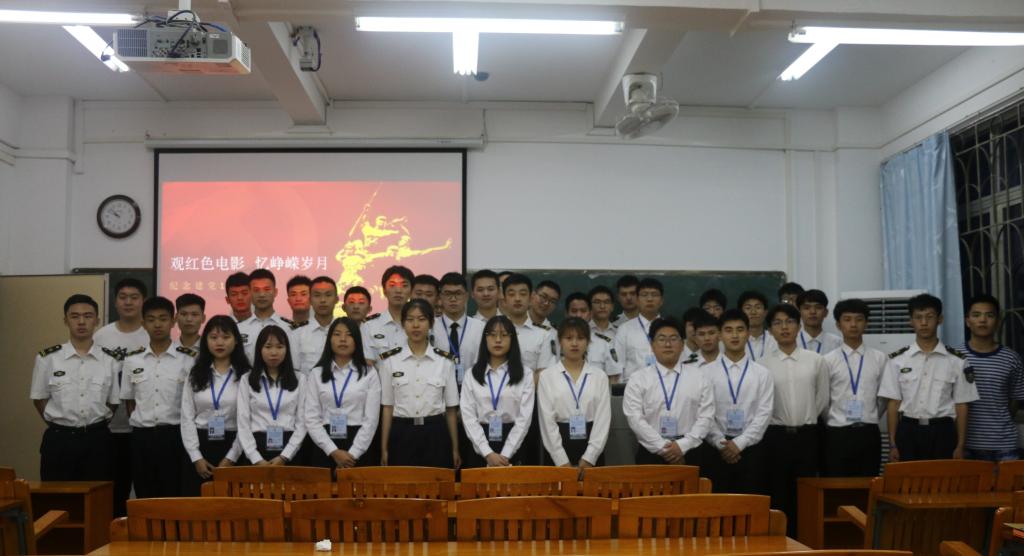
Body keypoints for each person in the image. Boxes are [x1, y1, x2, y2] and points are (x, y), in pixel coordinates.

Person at [31, 294, 120, 481]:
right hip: (59, 440)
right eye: (75, 316)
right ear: (66, 320)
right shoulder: (48, 358)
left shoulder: (110, 360)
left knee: (98, 495)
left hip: (98, 441)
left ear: (97, 321)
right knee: (56, 495)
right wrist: (61, 424)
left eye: (88, 316)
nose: (81, 322)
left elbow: (113, 403)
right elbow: (39, 399)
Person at [880, 294, 979, 461]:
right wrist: (893, 444)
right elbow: (893, 404)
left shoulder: (957, 360)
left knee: (942, 477)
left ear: (940, 319)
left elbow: (962, 405)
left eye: (929, 317)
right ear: (911, 321)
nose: (924, 322)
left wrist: (960, 446)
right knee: (908, 477)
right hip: (908, 430)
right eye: (918, 317)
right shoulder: (897, 360)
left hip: (943, 431)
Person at [761, 303, 829, 536]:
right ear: (770, 330)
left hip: (807, 435)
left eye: (789, 322)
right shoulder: (762, 364)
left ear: (799, 326)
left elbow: (822, 397)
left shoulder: (816, 360)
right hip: (775, 435)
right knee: (778, 491)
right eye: (777, 323)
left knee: (807, 491)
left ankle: (806, 541)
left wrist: (806, 417)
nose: (784, 327)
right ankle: (780, 540)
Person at [120, 297, 196, 498]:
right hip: (142, 437)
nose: (157, 324)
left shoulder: (188, 358)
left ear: (173, 321)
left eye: (163, 319)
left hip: (175, 436)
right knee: (144, 492)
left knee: (175, 493)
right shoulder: (132, 359)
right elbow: (129, 401)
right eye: (151, 319)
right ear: (143, 323)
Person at [379, 299, 461, 468]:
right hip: (402, 432)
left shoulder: (444, 361)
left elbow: (451, 410)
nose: (415, 325)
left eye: (422, 319)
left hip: (436, 432)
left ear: (431, 323)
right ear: (403, 324)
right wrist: (384, 448)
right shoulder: (390, 361)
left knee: (437, 482)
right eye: (410, 319)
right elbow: (387, 407)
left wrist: (455, 448)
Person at [623, 317, 714, 466]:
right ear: (652, 345)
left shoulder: (699, 377)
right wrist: (664, 448)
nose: (667, 344)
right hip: (651, 452)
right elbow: (635, 419)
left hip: (691, 451)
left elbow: (706, 416)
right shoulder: (638, 379)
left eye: (673, 338)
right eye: (661, 339)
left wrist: (682, 446)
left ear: (682, 344)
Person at [92, 277, 148, 517]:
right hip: (109, 427)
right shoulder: (101, 336)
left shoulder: (151, 333)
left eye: (134, 297)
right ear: (115, 302)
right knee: (114, 488)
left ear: (143, 301)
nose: (128, 302)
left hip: (143, 426)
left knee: (146, 488)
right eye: (123, 297)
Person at [704, 309, 773, 494]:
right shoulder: (705, 373)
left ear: (748, 333)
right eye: (728, 330)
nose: (735, 335)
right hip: (716, 449)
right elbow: (704, 413)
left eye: (740, 329)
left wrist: (740, 443)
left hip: (751, 449)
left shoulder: (762, 373)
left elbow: (764, 414)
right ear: (719, 335)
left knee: (751, 502)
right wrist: (721, 443)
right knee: (718, 503)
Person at [180, 316, 249, 496]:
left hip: (235, 444)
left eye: (226, 337)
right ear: (205, 341)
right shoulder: (195, 373)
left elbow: (247, 421)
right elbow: (187, 417)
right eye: (213, 337)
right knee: (199, 504)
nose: (219, 342)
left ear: (236, 340)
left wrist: (231, 458)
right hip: (200, 445)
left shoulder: (246, 375)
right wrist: (196, 457)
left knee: (232, 504)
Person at [822, 299, 889, 477]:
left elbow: (883, 398)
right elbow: (824, 400)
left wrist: (870, 415)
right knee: (837, 484)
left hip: (869, 432)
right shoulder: (827, 360)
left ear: (866, 323)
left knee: (868, 483)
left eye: (859, 319)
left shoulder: (880, 358)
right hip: (837, 433)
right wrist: (835, 417)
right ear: (838, 324)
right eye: (847, 319)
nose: (853, 324)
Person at [304, 318, 381, 470]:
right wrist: (333, 451)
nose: (343, 339)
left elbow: (371, 421)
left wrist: (353, 454)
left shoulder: (369, 373)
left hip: (359, 444)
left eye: (349, 334)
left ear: (357, 340)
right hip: (325, 446)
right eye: (337, 334)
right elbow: (311, 418)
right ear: (329, 339)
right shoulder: (316, 373)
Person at [460, 316, 535, 467]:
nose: (498, 340)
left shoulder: (525, 374)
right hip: (480, 444)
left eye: (504, 335)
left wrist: (505, 455)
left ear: (512, 339)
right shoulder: (471, 374)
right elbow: (468, 417)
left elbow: (524, 419)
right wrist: (487, 453)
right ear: (485, 339)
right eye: (493, 335)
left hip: (514, 442)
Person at [538, 318, 611, 468]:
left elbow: (603, 420)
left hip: (592, 443)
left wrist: (590, 457)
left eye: (580, 338)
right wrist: (561, 460)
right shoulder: (547, 376)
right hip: (558, 444)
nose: (575, 343)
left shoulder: (600, 376)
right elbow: (547, 422)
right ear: (560, 341)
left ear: (588, 342)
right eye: (569, 338)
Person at [959, 293, 1024, 461]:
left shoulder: (1011, 358)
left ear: (997, 321)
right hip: (965, 444)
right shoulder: (955, 357)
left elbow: (1016, 399)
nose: (982, 320)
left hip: (1004, 443)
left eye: (989, 315)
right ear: (967, 321)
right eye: (976, 315)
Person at [237, 326, 308, 465]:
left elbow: (302, 422)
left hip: (290, 449)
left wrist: (285, 456)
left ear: (287, 349)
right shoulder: (247, 379)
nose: (274, 352)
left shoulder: (300, 379)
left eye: (279, 347)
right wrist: (256, 458)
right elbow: (243, 422)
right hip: (256, 448)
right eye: (268, 347)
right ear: (259, 349)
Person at [237, 269, 300, 366]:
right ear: (249, 293)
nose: (262, 295)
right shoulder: (238, 329)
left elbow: (295, 363)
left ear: (275, 292)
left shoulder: (290, 327)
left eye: (267, 289)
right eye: (256, 290)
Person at [433, 272, 485, 385]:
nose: (453, 299)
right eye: (447, 294)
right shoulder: (431, 327)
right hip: (438, 388)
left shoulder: (480, 328)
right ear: (440, 297)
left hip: (472, 388)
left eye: (458, 293)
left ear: (466, 296)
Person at [501, 273, 558, 372]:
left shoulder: (544, 335)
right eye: (511, 294)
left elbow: (544, 374)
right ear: (504, 299)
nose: (517, 299)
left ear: (531, 298)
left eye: (523, 294)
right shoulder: (491, 331)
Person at [613, 277, 665, 382]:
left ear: (661, 301)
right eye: (644, 295)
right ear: (637, 300)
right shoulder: (624, 329)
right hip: (633, 387)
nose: (649, 299)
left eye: (654, 295)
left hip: (665, 385)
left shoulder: (671, 328)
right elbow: (617, 366)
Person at [565, 293, 623, 382]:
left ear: (590, 314)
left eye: (583, 311)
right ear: (566, 314)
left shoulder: (604, 344)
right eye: (574, 311)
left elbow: (613, 378)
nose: (578, 315)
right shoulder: (558, 342)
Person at [361, 265, 414, 362]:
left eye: (404, 285)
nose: (398, 290)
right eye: (392, 285)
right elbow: (368, 364)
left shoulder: (419, 325)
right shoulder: (369, 326)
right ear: (384, 290)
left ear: (411, 292)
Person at [295, 276, 340, 373]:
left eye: (328, 295)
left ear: (336, 299)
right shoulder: (297, 334)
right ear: (310, 300)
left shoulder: (345, 333)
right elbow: (295, 370)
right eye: (317, 295)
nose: (323, 300)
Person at [796, 289, 843, 355]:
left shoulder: (837, 343)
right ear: (799, 313)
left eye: (818, 307)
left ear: (826, 312)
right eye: (807, 308)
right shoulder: (791, 341)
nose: (813, 312)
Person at [738, 290, 776, 362]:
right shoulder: (735, 339)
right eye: (748, 308)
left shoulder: (774, 339)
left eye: (758, 307)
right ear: (740, 313)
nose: (753, 312)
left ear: (765, 312)